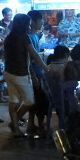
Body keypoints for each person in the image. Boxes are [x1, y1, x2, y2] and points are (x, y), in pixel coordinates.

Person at [2, 13, 49, 138]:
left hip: (9, 73)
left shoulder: (9, 37)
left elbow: (5, 56)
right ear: (23, 24)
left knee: (14, 101)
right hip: (20, 74)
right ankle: (14, 122)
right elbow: (34, 55)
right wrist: (46, 68)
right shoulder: (24, 37)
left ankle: (16, 129)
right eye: (28, 24)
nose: (29, 26)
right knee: (30, 102)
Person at [26, 10, 48, 138]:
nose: (42, 23)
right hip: (35, 73)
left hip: (38, 72)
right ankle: (40, 127)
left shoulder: (34, 36)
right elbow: (30, 59)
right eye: (40, 21)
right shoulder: (30, 37)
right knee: (39, 100)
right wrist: (34, 76)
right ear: (33, 22)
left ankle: (31, 124)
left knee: (35, 100)